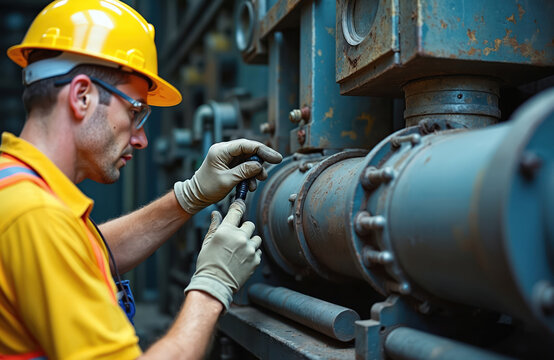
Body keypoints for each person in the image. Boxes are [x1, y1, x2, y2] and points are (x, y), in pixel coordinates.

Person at [0, 0, 282, 359]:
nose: (141, 139)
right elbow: (57, 241)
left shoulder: (14, 185)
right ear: (81, 96)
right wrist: (212, 288)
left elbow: (84, 251)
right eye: (135, 111)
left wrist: (190, 196)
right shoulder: (36, 217)